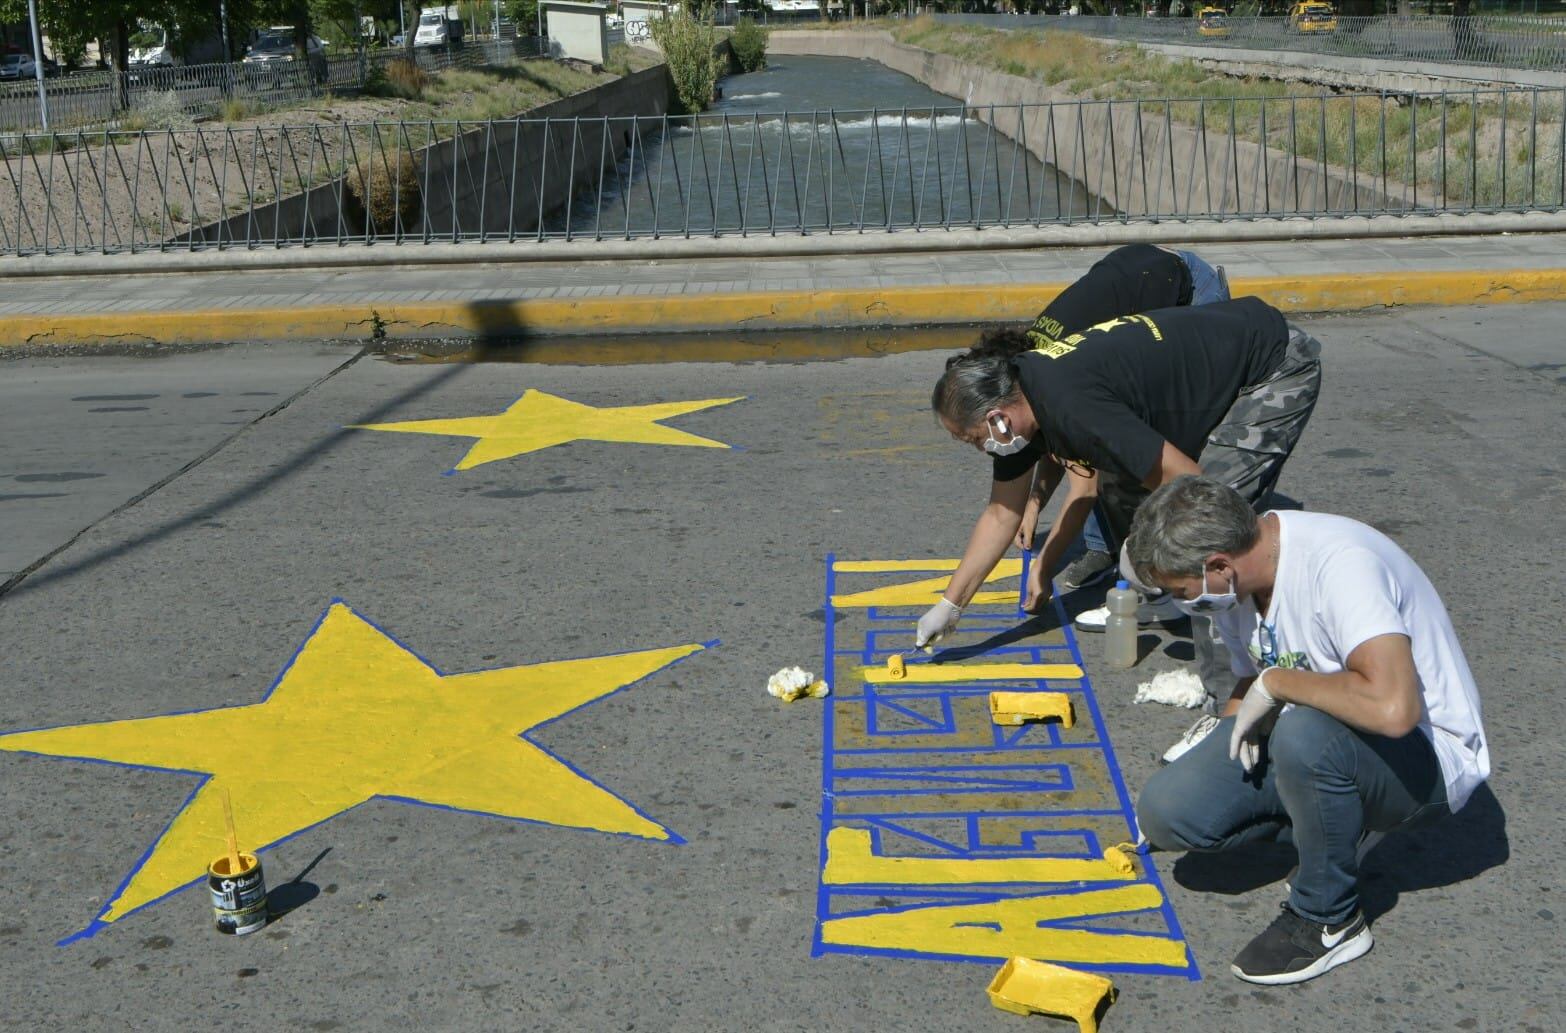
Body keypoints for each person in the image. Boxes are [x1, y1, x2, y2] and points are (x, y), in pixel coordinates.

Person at [918, 296, 1321, 757]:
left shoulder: (1072, 407)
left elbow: (1192, 486)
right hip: (1223, 354)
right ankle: (1168, 601)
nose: (978, 448)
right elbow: (1001, 514)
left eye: (972, 439)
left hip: (1271, 366)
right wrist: (951, 605)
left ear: (997, 419)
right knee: (1126, 496)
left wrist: (1163, 558)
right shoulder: (1022, 398)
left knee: (1206, 547)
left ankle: (1229, 710)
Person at [1126, 477, 1489, 985]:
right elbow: (1252, 682)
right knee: (1171, 812)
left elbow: (1393, 709)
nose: (1180, 604)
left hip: (1426, 754)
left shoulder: (1341, 564)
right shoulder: (1236, 589)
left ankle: (1330, 917)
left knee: (1306, 738)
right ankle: (1334, 819)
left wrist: (1279, 682)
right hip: (1329, 738)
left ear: (1217, 565)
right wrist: (1197, 773)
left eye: (1180, 591)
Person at [1013, 244, 1231, 593]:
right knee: (1107, 443)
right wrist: (1034, 504)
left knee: (1155, 440)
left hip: (1187, 290)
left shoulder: (1057, 376)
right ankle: (1106, 547)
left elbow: (1080, 476)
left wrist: (1044, 565)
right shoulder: (1031, 368)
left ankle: (1187, 559)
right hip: (1140, 275)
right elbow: (1057, 441)